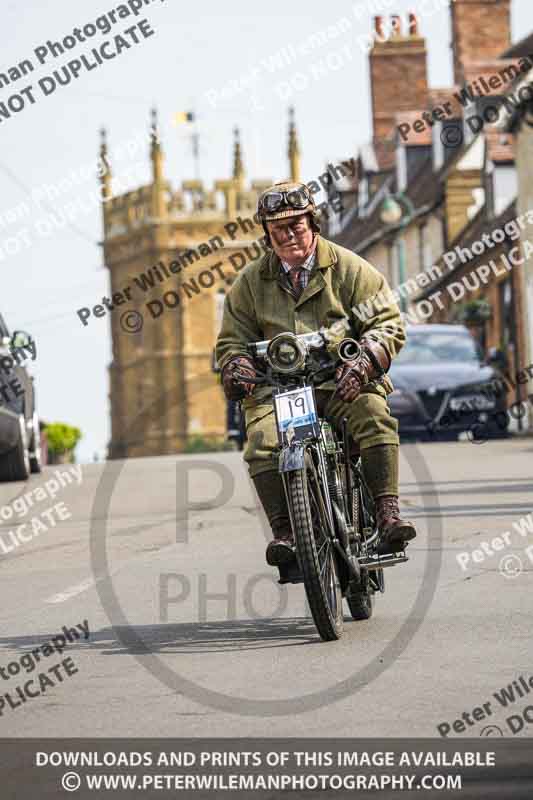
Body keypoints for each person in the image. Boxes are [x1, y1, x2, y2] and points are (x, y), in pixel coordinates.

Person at [215, 181, 416, 567]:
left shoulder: (352, 269)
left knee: (375, 417)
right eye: (278, 228)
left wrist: (364, 362)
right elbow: (231, 341)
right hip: (280, 392)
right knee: (260, 440)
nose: (288, 234)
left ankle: (387, 514)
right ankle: (286, 534)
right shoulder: (249, 284)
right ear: (267, 235)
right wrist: (236, 365)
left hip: (341, 384)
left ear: (313, 223)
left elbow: (388, 323)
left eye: (296, 224)